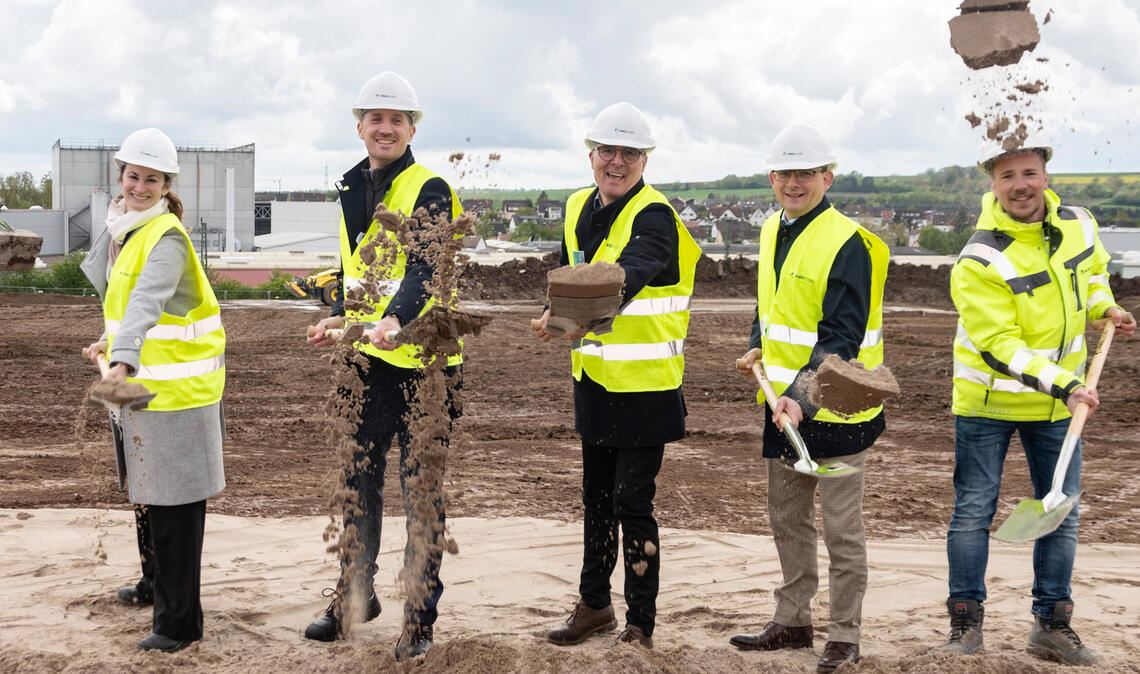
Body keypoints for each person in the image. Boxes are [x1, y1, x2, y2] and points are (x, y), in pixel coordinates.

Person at [942, 140, 1135, 666]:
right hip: (989, 403)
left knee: (1061, 515)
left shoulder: (1079, 222)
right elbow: (999, 345)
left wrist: (1106, 307)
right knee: (973, 512)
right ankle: (965, 623)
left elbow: (1091, 275)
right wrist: (1065, 385)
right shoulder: (979, 258)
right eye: (1008, 176)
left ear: (1046, 175)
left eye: (1030, 172)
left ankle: (1051, 624)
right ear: (993, 185)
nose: (1021, 184)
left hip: (1057, 408)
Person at [304, 71, 462, 661]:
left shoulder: (431, 187)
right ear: (360, 125)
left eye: (397, 119)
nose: (386, 127)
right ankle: (355, 594)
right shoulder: (351, 185)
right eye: (376, 118)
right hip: (365, 361)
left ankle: (419, 619)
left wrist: (395, 320)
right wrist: (340, 318)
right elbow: (362, 274)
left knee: (420, 492)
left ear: (412, 127)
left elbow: (421, 269)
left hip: (425, 364)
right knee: (356, 483)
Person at [532, 102, 700, 649]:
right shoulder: (578, 204)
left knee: (633, 503)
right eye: (609, 151)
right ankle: (595, 605)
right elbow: (569, 271)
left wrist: (577, 313)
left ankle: (640, 625)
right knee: (596, 498)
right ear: (592, 155)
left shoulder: (655, 216)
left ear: (645, 160)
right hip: (596, 381)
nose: (617, 162)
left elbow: (630, 271)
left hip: (647, 387)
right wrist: (554, 313)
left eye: (630, 153)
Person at [730, 123, 888, 674]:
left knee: (842, 529)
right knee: (787, 517)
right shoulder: (774, 227)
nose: (794, 183)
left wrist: (800, 395)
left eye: (806, 173)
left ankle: (844, 636)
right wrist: (756, 346)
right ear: (772, 178)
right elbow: (770, 307)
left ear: (828, 176)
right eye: (785, 173)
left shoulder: (849, 243)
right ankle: (793, 620)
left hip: (839, 406)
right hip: (782, 404)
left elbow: (841, 337)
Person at [80, 127, 226, 653]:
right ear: (120, 177)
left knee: (174, 505)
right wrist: (106, 341)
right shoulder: (125, 230)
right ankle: (152, 584)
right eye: (133, 175)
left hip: (176, 394)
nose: (141, 185)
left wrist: (119, 360)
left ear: (167, 185)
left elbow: (147, 300)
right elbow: (125, 310)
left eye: (152, 179)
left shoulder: (165, 237)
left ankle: (179, 623)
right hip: (138, 386)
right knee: (146, 495)